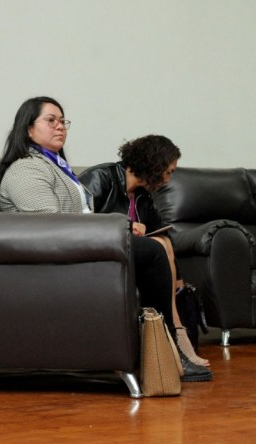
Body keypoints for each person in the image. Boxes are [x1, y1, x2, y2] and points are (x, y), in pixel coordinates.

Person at [0, 98, 212, 382]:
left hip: (76, 247)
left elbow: (78, 217)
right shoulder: (26, 169)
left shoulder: (53, 166)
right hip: (55, 258)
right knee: (152, 252)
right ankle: (167, 351)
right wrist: (120, 225)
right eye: (51, 120)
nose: (60, 126)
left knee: (158, 246)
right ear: (28, 129)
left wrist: (120, 227)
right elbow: (49, 225)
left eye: (63, 121)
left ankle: (168, 348)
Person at [80, 135, 211, 368]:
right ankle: (173, 339)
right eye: (168, 172)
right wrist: (127, 226)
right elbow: (82, 223)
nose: (167, 180)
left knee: (164, 241)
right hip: (100, 255)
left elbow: (161, 232)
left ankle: (174, 336)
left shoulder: (142, 195)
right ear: (154, 164)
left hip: (132, 258)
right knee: (159, 244)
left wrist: (178, 281)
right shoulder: (100, 178)